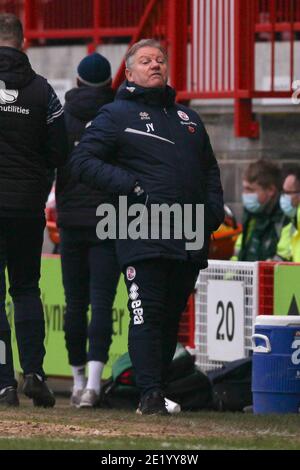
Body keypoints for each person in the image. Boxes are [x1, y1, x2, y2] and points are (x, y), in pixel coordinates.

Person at [70, 39, 224, 415]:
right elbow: (82, 160)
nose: (155, 65)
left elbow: (209, 169)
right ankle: (149, 394)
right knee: (146, 312)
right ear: (130, 71)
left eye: (160, 59)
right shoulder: (115, 114)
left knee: (170, 317)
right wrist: (131, 186)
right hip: (141, 229)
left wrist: (213, 211)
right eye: (145, 60)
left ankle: (159, 390)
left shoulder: (189, 119)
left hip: (187, 235)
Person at [0, 14, 68, 407]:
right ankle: (36, 372)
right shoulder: (43, 92)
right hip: (27, 207)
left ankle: (3, 382)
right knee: (25, 288)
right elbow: (60, 151)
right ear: (23, 42)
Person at [56, 53, 120, 408]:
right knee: (102, 303)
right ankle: (94, 384)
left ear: (78, 82)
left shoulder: (63, 119)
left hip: (71, 221)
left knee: (74, 304)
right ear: (110, 82)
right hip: (107, 221)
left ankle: (78, 379)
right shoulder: (116, 117)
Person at [232, 159, 288, 261]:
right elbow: (240, 254)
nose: (245, 194)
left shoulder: (285, 218)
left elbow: (282, 261)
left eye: (250, 189)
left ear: (271, 190)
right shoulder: (251, 213)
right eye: (244, 188)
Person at [276, 166, 300, 262]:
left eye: (288, 192)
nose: (284, 197)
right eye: (283, 192)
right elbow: (282, 255)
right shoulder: (290, 225)